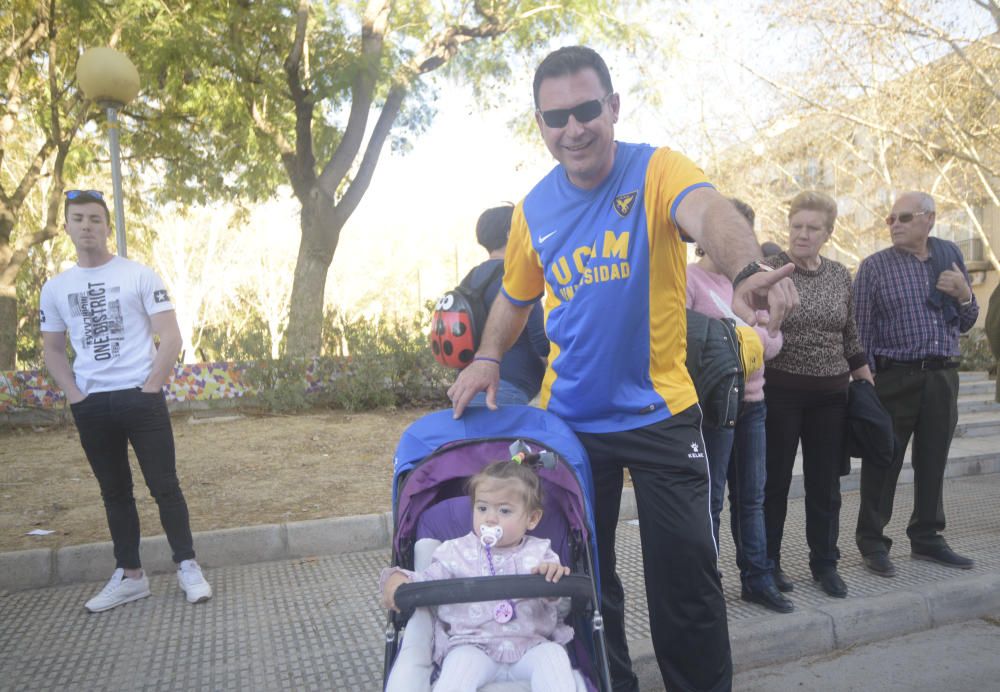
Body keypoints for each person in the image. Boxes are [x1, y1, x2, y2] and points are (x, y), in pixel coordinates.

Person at [448, 46, 798, 692]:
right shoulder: (534, 210)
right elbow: (516, 297)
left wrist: (747, 268)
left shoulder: (656, 171)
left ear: (612, 106)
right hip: (571, 426)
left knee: (686, 577)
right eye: (557, 118)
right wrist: (490, 355)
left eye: (586, 110)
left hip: (661, 414)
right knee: (582, 580)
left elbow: (711, 214)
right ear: (541, 125)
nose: (573, 129)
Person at [40, 189, 212, 612]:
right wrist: (76, 396)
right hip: (92, 405)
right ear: (66, 226)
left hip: (141, 398)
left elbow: (171, 337)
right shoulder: (56, 288)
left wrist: (151, 385)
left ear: (107, 226)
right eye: (78, 218)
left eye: (95, 219)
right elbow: (53, 350)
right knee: (114, 493)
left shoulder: (139, 275)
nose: (87, 226)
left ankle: (187, 565)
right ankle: (131, 575)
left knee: (164, 486)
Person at [853, 191, 979, 574]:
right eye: (890, 219)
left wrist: (965, 294)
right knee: (882, 460)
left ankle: (927, 537)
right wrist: (866, 385)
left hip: (942, 376)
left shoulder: (950, 260)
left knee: (933, 460)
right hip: (894, 378)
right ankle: (873, 542)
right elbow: (859, 330)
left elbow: (968, 320)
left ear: (929, 220)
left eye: (904, 218)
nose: (895, 225)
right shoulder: (874, 267)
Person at [761, 191, 873, 599]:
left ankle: (825, 563)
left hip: (832, 395)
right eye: (796, 226)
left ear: (828, 232)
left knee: (825, 484)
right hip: (781, 393)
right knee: (773, 483)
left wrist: (865, 381)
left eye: (812, 228)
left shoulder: (841, 274)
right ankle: (767, 564)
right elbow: (753, 324)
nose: (802, 234)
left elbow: (850, 334)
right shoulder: (769, 269)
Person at [380, 458, 575, 692]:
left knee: (554, 655)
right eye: (482, 508)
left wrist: (553, 580)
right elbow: (427, 579)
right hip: (473, 646)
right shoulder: (454, 551)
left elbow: (560, 605)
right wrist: (400, 579)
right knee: (457, 671)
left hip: (530, 645)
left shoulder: (541, 553)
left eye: (504, 510)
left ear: (532, 519)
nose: (490, 518)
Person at [686, 198, 791, 614]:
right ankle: (708, 584)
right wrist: (747, 337)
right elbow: (688, 344)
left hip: (753, 403)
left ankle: (757, 578)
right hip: (710, 409)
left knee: (752, 497)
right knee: (710, 500)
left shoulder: (754, 283)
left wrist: (740, 339)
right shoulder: (689, 281)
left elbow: (774, 343)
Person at [467, 204, 549, 406]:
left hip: (469, 383)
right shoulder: (515, 277)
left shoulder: (471, 279)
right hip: (507, 389)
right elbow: (542, 341)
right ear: (509, 233)